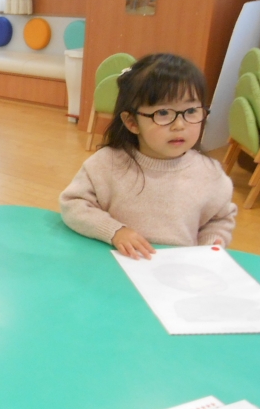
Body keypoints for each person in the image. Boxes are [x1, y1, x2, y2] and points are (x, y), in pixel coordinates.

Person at [59, 53, 237, 259]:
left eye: (190, 111)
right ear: (132, 122)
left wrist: (211, 243)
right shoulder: (106, 164)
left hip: (176, 269)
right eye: (163, 113)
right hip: (117, 262)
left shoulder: (210, 173)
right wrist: (114, 231)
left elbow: (219, 219)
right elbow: (73, 204)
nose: (179, 125)